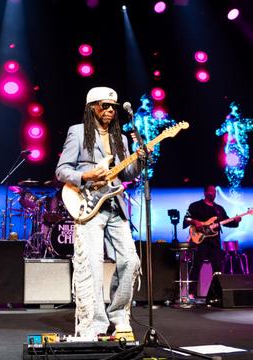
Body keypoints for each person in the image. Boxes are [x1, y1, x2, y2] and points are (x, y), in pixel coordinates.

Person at [55, 86, 143, 339]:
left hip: (115, 204)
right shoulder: (78, 132)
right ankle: (94, 324)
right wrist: (86, 175)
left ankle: (119, 315)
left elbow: (126, 173)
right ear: (91, 107)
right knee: (92, 265)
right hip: (88, 202)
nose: (109, 111)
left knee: (130, 260)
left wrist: (139, 160)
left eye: (113, 107)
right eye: (104, 106)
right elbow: (61, 170)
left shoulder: (122, 138)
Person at [183, 185, 241, 296]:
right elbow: (187, 218)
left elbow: (227, 222)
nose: (213, 193)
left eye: (214, 192)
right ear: (205, 192)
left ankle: (217, 293)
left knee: (218, 267)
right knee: (196, 266)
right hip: (200, 240)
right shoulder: (195, 206)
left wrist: (236, 220)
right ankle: (191, 293)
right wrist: (195, 222)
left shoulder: (218, 209)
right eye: (210, 191)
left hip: (214, 242)